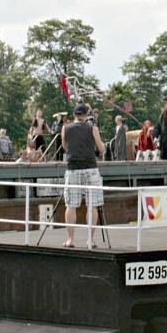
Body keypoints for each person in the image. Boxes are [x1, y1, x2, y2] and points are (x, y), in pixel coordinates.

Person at [62, 103, 106, 248]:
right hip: (90, 168)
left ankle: (70, 239)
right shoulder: (92, 128)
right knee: (92, 205)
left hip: (73, 168)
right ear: (87, 114)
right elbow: (102, 149)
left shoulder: (65, 128)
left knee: (71, 205)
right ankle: (90, 240)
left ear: (74, 114)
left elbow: (65, 147)